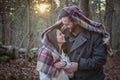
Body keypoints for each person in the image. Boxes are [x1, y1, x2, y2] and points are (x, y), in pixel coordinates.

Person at [54, 6, 111, 80]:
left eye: (67, 24)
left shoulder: (95, 35)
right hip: (71, 77)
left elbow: (100, 59)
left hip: (92, 77)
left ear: (76, 21)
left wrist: (79, 65)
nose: (65, 26)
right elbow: (59, 51)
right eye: (64, 24)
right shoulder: (64, 34)